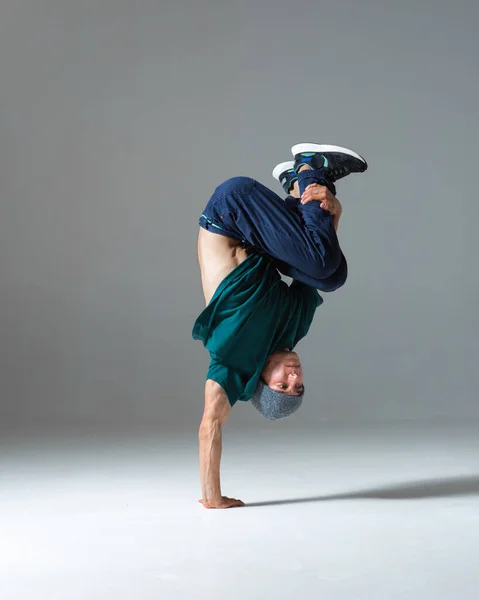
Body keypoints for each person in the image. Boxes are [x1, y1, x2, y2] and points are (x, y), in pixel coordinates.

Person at [193, 143, 367, 509]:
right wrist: (331, 210)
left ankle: (309, 166)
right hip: (257, 234)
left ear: (261, 380)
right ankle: (297, 186)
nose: (294, 376)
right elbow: (320, 270)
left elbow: (211, 424)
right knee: (333, 276)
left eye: (282, 385)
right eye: (298, 385)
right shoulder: (293, 327)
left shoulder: (233, 357)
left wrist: (212, 497)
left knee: (322, 264)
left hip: (230, 210)